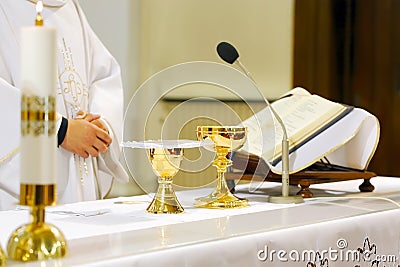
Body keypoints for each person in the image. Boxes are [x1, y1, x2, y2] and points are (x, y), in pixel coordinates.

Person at [0, 0, 129, 210]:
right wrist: (59, 129)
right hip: (17, 199)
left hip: (81, 182)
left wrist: (99, 127)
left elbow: (103, 77)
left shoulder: (68, 7)